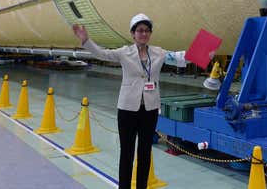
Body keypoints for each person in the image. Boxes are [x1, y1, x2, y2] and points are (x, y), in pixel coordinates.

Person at [72, 13, 213, 189]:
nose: (143, 34)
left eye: (147, 31)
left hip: (150, 110)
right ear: (133, 34)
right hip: (127, 110)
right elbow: (102, 54)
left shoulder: (159, 53)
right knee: (127, 152)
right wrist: (86, 41)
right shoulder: (124, 53)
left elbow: (180, 57)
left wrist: (206, 48)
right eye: (139, 30)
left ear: (150, 34)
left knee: (145, 152)